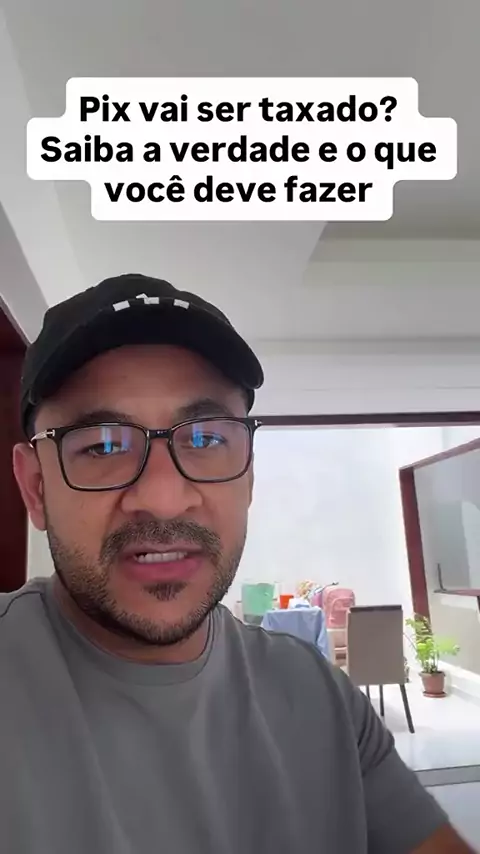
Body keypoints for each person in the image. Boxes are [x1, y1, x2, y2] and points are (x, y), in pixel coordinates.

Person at [1, 273, 474, 854]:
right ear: (35, 488)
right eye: (101, 445)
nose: (164, 497)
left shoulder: (317, 696)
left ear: (248, 475)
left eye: (205, 439)